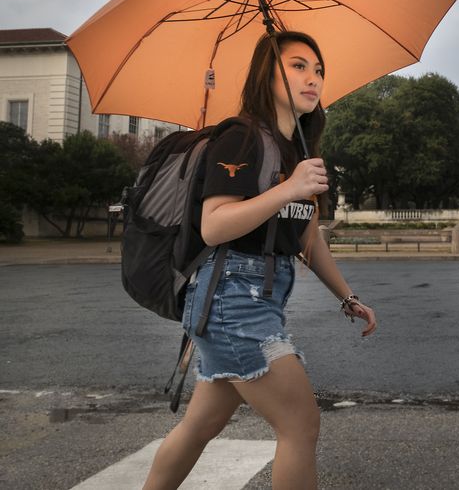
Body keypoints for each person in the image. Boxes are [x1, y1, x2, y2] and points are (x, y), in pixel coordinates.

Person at [143, 31, 377, 490]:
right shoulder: (240, 137)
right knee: (300, 425)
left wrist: (347, 296)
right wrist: (288, 188)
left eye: (318, 70)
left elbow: (307, 240)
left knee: (201, 426)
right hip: (232, 299)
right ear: (265, 73)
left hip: (256, 300)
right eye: (297, 66)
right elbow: (215, 225)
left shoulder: (297, 151)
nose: (313, 78)